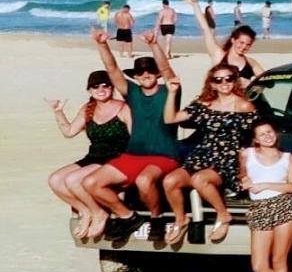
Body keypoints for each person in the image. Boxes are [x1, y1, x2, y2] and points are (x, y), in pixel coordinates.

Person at [81, 32, 180, 238]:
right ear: (135, 76)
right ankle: (128, 217)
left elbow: (166, 68)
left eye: (150, 71)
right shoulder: (132, 93)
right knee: (91, 183)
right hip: (134, 154)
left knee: (144, 181)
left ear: (157, 74)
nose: (145, 74)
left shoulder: (169, 91)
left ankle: (156, 218)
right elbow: (112, 69)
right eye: (141, 72)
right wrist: (102, 44)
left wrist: (154, 45)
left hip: (164, 155)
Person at [160, 63, 256, 244]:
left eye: (229, 78)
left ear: (235, 81)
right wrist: (172, 93)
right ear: (211, 84)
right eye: (218, 80)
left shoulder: (244, 106)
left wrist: (246, 169)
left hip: (227, 159)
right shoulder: (204, 104)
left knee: (199, 180)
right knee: (170, 181)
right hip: (202, 155)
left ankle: (223, 215)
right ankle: (180, 220)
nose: (224, 83)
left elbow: (253, 137)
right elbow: (170, 118)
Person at [47, 70, 132, 239]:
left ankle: (99, 213)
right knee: (55, 180)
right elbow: (69, 132)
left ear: (112, 88)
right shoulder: (88, 109)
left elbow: (135, 137)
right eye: (95, 86)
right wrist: (58, 111)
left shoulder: (123, 108)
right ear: (89, 90)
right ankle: (86, 211)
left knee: (73, 180)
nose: (101, 89)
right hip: (94, 156)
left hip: (116, 157)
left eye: (105, 86)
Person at [239, 119, 292, 272]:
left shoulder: (287, 158)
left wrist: (265, 185)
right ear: (255, 139)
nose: (267, 136)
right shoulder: (247, 154)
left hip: (283, 206)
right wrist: (244, 182)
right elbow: (243, 177)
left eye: (270, 132)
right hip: (259, 208)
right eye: (262, 134)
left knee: (279, 259)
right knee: (259, 265)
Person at [180, 0, 265, 82]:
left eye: (248, 44)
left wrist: (251, 83)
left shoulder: (250, 62)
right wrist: (195, 4)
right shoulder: (219, 55)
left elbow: (267, 81)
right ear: (233, 40)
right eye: (241, 42)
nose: (244, 46)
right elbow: (206, 29)